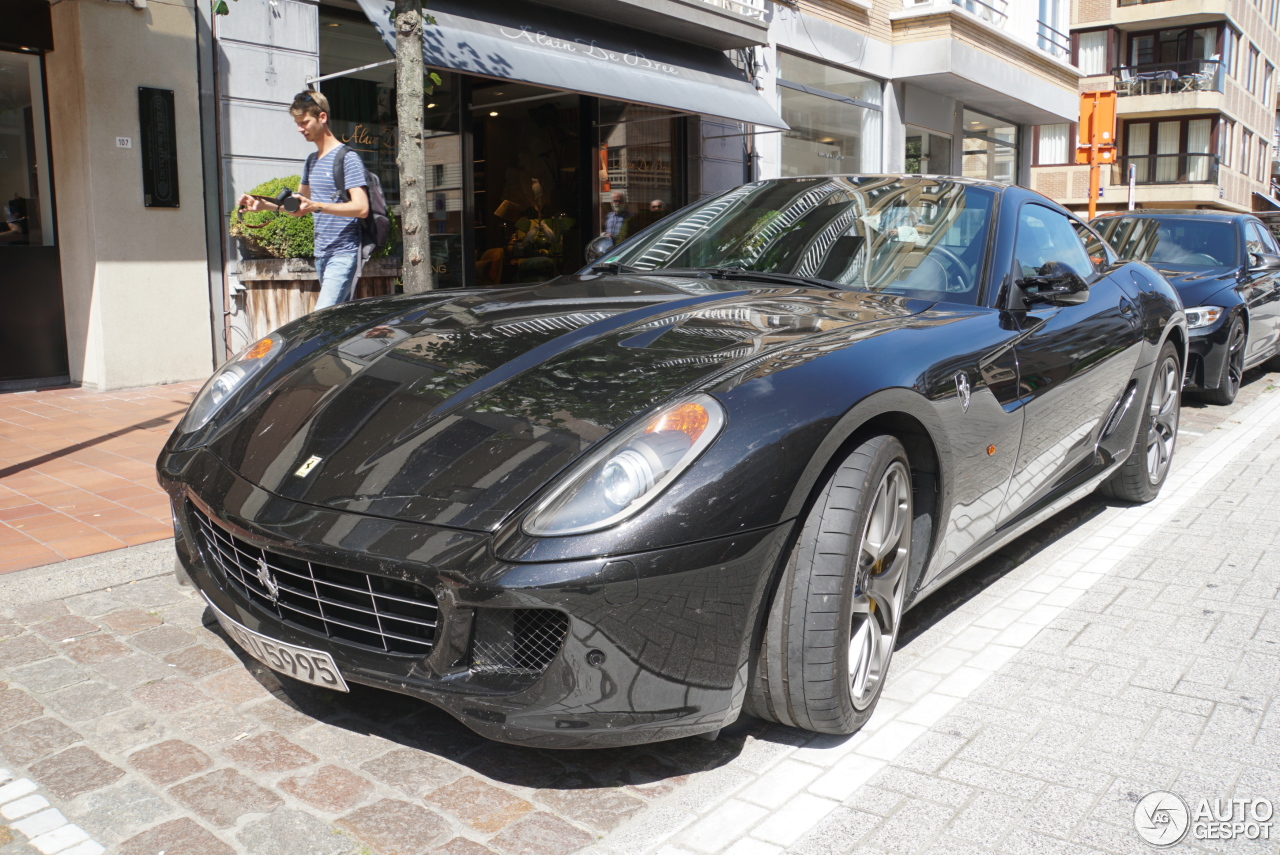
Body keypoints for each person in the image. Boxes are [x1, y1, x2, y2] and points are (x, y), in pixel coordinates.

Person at [237, 90, 369, 310]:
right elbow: (298, 205)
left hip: (343, 253)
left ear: (322, 117)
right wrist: (262, 206)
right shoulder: (311, 161)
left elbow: (362, 207)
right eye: (297, 123)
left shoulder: (348, 158)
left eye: (304, 122)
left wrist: (317, 206)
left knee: (321, 317)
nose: (300, 129)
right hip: (322, 254)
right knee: (337, 320)